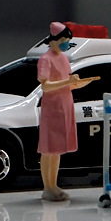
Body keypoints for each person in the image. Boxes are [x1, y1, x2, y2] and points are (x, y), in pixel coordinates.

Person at [37, 22, 99, 201]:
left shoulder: (64, 59)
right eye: (63, 40)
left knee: (57, 149)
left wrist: (80, 82)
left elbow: (69, 84)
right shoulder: (45, 60)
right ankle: (47, 187)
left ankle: (53, 184)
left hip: (65, 105)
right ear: (54, 40)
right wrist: (67, 82)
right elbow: (46, 86)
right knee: (48, 148)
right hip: (52, 108)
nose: (66, 43)